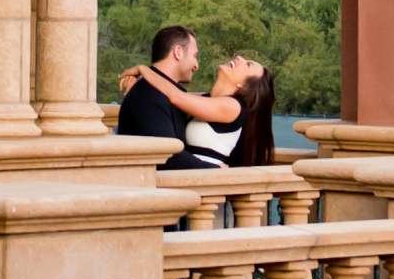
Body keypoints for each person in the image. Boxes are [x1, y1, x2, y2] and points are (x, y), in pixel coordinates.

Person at [120, 45, 276, 170]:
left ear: (244, 86)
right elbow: (167, 93)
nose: (239, 58)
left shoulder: (233, 107)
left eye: (248, 64)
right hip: (190, 180)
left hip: (207, 186)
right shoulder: (205, 99)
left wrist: (143, 70)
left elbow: (175, 96)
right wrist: (137, 86)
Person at [115, 23, 205, 168]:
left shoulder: (158, 92)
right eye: (195, 56)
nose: (196, 65)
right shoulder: (148, 96)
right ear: (178, 52)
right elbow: (167, 156)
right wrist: (217, 170)